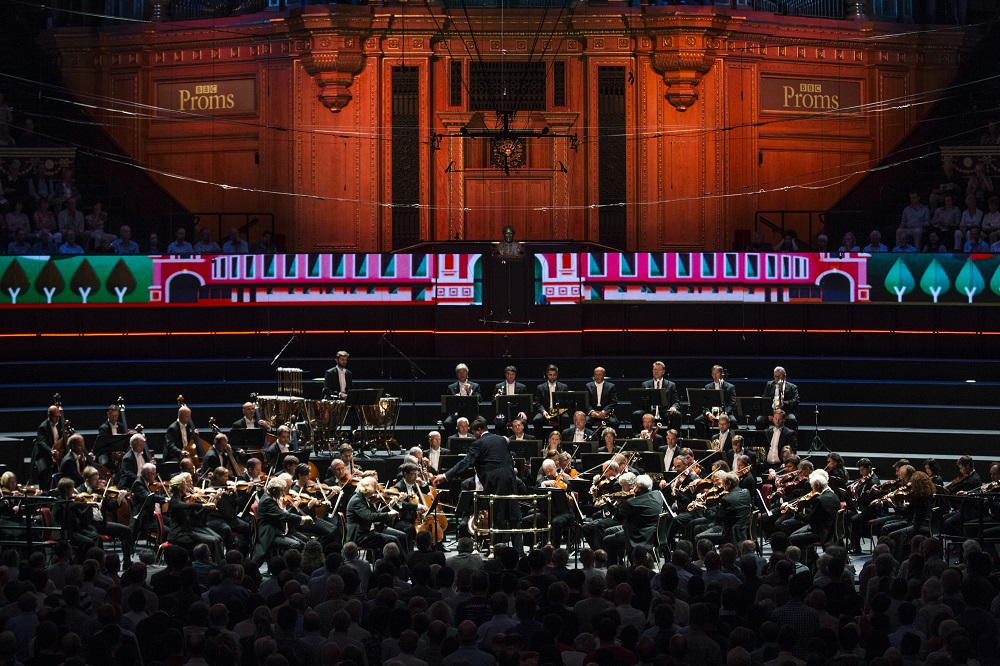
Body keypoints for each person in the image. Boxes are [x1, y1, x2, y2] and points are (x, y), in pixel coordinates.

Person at [433, 418, 523, 550]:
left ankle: (495, 551)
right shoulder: (501, 439)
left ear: (479, 430)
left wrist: (446, 475)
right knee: (513, 515)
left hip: (494, 481)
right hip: (510, 479)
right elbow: (508, 458)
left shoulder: (478, 443)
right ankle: (518, 551)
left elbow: (466, 462)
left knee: (496, 516)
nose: (474, 437)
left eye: (474, 433)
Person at [167, 472, 226, 564]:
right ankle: (211, 565)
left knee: (216, 539)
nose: (187, 487)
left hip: (187, 532)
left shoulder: (183, 499)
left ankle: (219, 564)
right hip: (178, 535)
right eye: (184, 485)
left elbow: (197, 516)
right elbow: (186, 507)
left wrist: (209, 506)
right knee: (213, 540)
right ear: (179, 487)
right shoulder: (174, 502)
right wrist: (203, 505)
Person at [602, 474, 662, 563]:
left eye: (635, 486)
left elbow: (619, 516)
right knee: (608, 531)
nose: (633, 488)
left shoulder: (633, 502)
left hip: (637, 535)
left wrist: (609, 503)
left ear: (639, 489)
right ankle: (621, 560)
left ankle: (615, 568)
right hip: (652, 532)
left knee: (607, 540)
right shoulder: (657, 494)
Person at [252, 477, 313, 564]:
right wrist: (302, 518)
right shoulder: (267, 501)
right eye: (281, 490)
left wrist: (284, 507)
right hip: (271, 533)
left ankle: (300, 567)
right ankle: (286, 567)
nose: (283, 493)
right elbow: (283, 516)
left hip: (280, 530)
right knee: (295, 545)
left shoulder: (273, 497)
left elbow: (280, 514)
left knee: (304, 542)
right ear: (273, 490)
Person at [345, 476, 404, 552]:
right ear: (369, 488)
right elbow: (370, 516)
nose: (376, 490)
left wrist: (389, 506)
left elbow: (376, 513)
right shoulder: (357, 501)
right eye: (375, 487)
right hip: (359, 536)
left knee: (401, 536)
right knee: (393, 540)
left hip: (368, 531)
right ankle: (401, 562)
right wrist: (388, 514)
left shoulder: (364, 498)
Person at [786, 469, 841, 549]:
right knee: (794, 534)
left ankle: (808, 559)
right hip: (829, 529)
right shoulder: (833, 495)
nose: (812, 490)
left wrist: (796, 513)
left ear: (818, 485)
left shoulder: (820, 499)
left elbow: (810, 519)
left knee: (791, 539)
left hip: (821, 532)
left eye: (813, 487)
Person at [695, 472, 751, 543]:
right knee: (698, 529)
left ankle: (709, 554)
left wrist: (705, 509)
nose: (722, 486)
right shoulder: (746, 492)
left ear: (729, 484)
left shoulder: (726, 499)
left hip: (729, 534)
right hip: (743, 531)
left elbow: (717, 520)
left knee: (698, 537)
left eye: (724, 484)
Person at [631, 360, 681, 434]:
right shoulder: (645, 384)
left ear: (663, 372)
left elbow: (676, 401)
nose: (656, 372)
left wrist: (674, 407)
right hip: (648, 411)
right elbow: (640, 401)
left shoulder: (671, 385)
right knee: (636, 414)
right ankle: (638, 437)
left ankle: (673, 438)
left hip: (664, 412)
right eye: (654, 369)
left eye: (658, 370)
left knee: (676, 415)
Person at [693, 365, 738, 438]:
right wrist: (708, 413)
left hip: (725, 413)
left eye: (717, 373)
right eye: (713, 374)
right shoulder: (708, 387)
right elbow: (705, 404)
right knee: (697, 421)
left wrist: (724, 413)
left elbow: (732, 404)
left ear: (722, 374)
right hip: (712, 413)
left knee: (733, 421)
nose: (714, 376)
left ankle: (731, 442)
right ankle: (707, 441)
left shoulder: (730, 387)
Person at [443, 363, 483, 437]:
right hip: (456, 414)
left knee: (483, 421)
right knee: (447, 423)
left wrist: (470, 392)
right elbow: (447, 403)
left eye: (463, 372)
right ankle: (452, 440)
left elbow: (480, 400)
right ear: (456, 374)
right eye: (459, 373)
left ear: (467, 373)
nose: (461, 374)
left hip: (471, 413)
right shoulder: (451, 387)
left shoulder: (475, 386)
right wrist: (454, 398)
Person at [532, 364, 570, 440]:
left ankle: (563, 441)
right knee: (536, 420)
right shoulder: (540, 387)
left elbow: (567, 402)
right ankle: (542, 441)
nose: (552, 377)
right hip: (546, 412)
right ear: (547, 375)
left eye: (554, 375)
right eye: (550, 375)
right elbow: (538, 402)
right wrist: (543, 411)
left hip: (559, 412)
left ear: (557, 374)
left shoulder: (564, 387)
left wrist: (561, 410)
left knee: (566, 418)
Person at [755, 366, 799, 430]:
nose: (777, 379)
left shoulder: (792, 387)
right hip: (771, 411)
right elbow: (764, 399)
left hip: (785, 411)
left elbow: (796, 400)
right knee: (759, 420)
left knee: (791, 420)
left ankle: (788, 439)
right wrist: (768, 413)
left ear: (784, 376)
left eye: (779, 376)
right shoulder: (769, 384)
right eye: (775, 376)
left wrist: (782, 404)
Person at [493, 365, 529, 433]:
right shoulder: (498, 386)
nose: (510, 376)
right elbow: (493, 404)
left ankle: (521, 440)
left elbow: (525, 402)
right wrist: (496, 399)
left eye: (512, 374)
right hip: (503, 412)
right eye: (508, 374)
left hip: (517, 412)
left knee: (523, 421)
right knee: (499, 422)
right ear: (505, 375)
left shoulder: (522, 387)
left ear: (515, 375)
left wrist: (523, 412)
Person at [584, 366, 619, 431]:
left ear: (604, 375)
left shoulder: (611, 386)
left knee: (613, 422)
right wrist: (591, 412)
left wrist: (605, 411)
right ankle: (591, 438)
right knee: (586, 422)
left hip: (606, 413)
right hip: (593, 412)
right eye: (596, 375)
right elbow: (586, 401)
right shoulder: (588, 386)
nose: (597, 377)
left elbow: (613, 401)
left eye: (600, 375)